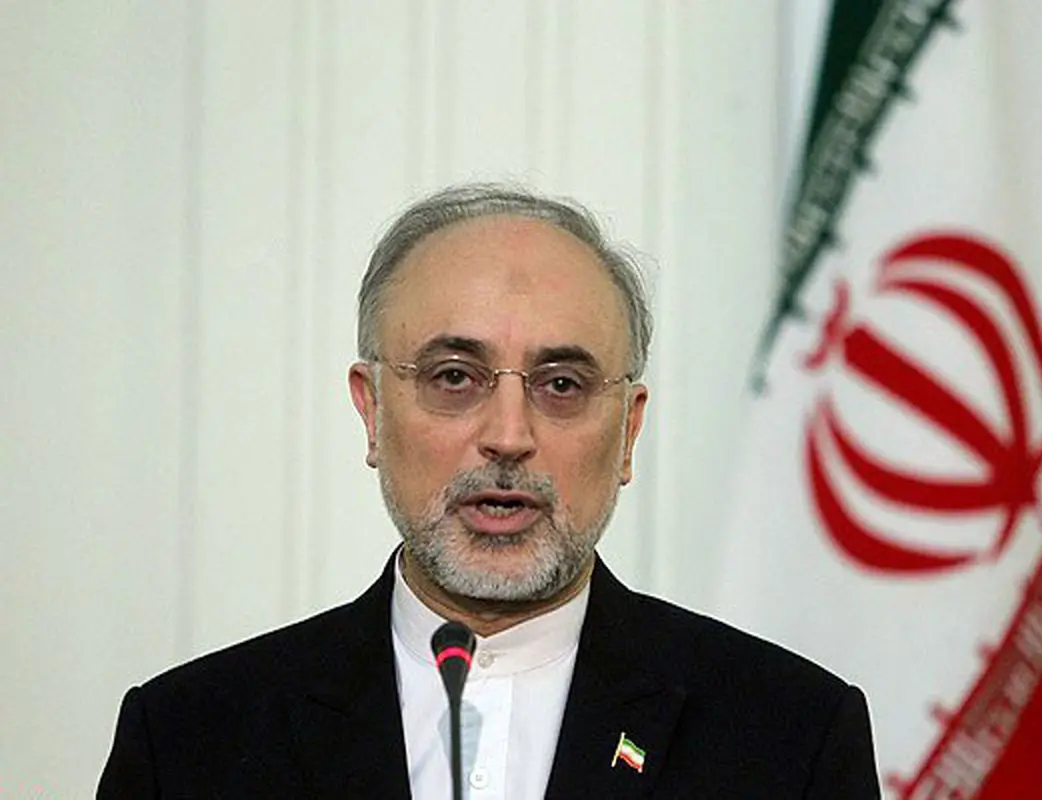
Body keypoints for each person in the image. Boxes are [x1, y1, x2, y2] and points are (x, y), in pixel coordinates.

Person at [98, 184, 881, 798]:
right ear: (372, 412)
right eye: (454, 378)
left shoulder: (790, 736)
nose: (508, 435)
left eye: (562, 384)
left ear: (628, 431)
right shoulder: (190, 740)